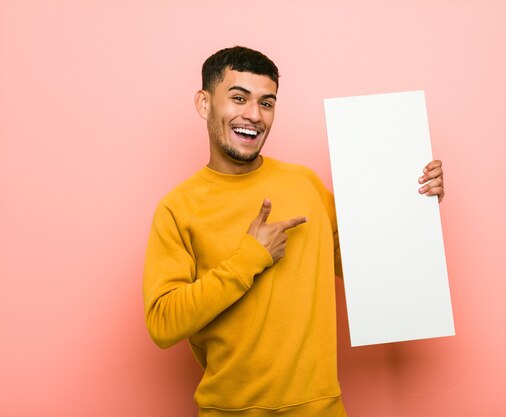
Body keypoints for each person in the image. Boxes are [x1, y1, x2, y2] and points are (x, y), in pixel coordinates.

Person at [143, 46, 445, 417]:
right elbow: (162, 323)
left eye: (266, 103)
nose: (253, 115)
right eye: (239, 98)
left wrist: (414, 204)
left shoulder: (304, 184)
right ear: (204, 103)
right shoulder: (178, 208)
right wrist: (249, 258)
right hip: (229, 411)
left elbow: (367, 266)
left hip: (321, 408)